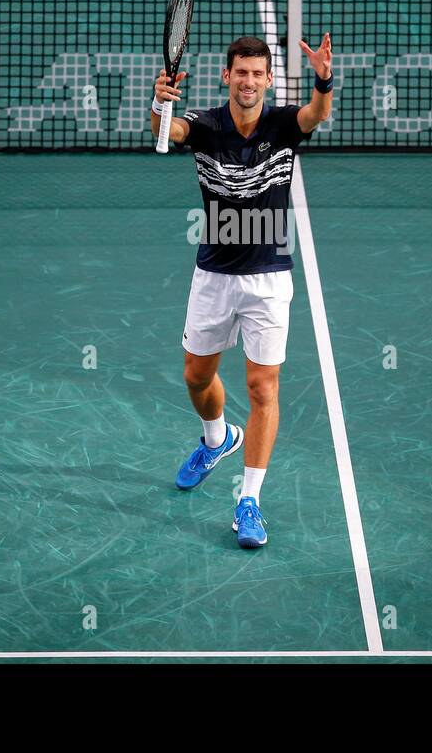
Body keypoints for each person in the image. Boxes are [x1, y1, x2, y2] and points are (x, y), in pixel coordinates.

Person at [150, 33, 334, 548]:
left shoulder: (282, 125)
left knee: (262, 388)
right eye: (241, 72)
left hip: (269, 277)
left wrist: (323, 78)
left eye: (258, 73)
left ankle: (248, 501)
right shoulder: (206, 125)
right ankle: (217, 439)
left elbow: (317, 114)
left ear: (269, 79)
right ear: (226, 77)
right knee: (195, 376)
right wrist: (161, 104)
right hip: (213, 274)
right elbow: (170, 132)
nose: (249, 81)